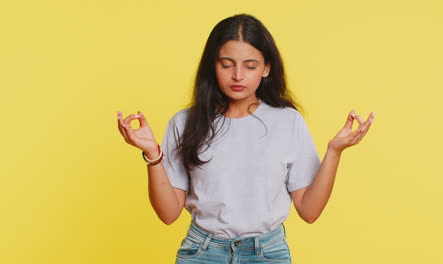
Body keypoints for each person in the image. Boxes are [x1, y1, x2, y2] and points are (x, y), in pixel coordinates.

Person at [117, 13, 375, 264]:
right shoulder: (185, 122)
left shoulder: (287, 121)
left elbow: (309, 211)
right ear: (212, 65)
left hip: (267, 253)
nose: (238, 75)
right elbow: (168, 214)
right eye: (226, 65)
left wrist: (334, 151)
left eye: (250, 66)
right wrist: (152, 154)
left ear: (266, 68)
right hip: (202, 252)